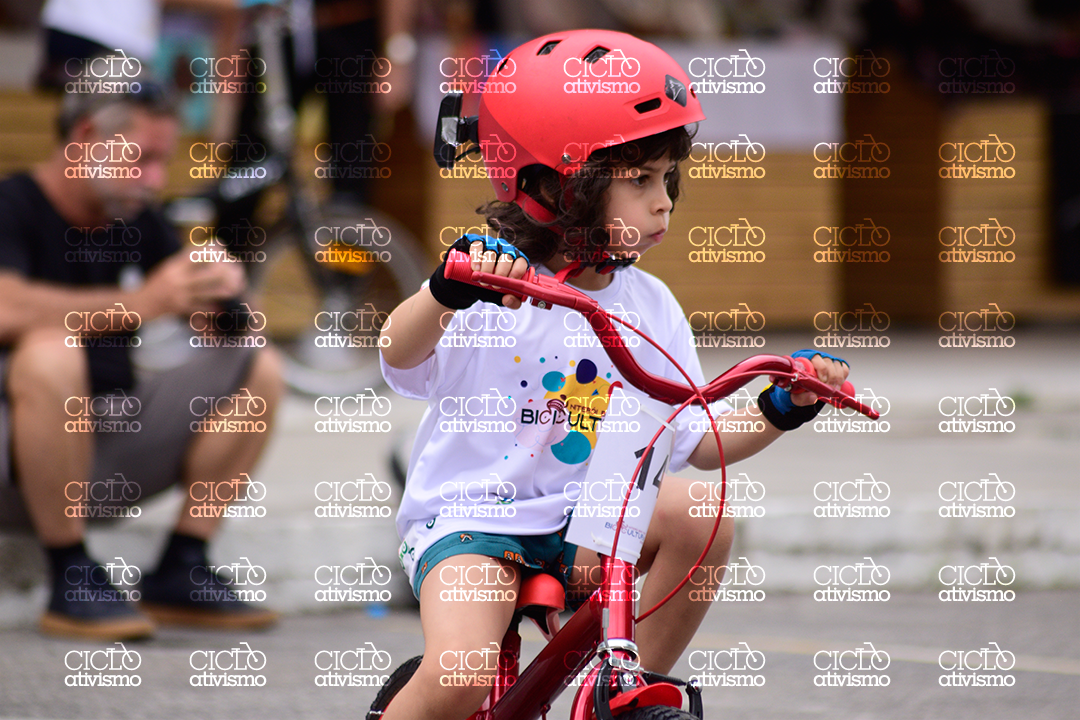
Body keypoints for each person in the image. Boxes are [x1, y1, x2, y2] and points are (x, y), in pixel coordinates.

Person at [378, 29, 851, 720]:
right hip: (476, 522)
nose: (664, 202)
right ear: (552, 185)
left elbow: (697, 439)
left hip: (592, 523)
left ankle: (622, 691)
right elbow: (397, 354)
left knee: (702, 513)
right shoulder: (487, 280)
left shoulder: (649, 305)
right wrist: (445, 291)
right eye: (638, 181)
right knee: (458, 676)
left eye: (667, 179)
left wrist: (785, 406)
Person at [0, 71, 283, 641]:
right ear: (85, 137)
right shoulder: (12, 204)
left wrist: (225, 300)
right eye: (142, 159)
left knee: (258, 365)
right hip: (16, 460)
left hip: (106, 445)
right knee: (52, 351)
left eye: (163, 161)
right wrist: (144, 303)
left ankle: (182, 563)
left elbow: (196, 310)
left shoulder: (134, 217)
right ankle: (70, 571)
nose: (154, 179)